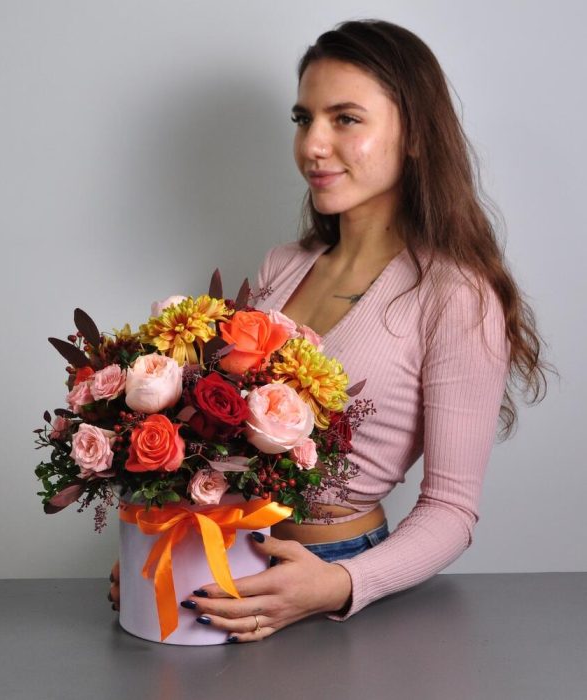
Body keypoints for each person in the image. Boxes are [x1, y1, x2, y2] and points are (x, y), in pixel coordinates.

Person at [109, 18, 551, 642]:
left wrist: (338, 585)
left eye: (345, 119)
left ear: (416, 134)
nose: (313, 145)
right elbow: (218, 443)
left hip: (337, 573)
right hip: (226, 555)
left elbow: (451, 510)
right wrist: (165, 547)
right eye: (303, 119)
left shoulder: (456, 296)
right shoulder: (281, 267)